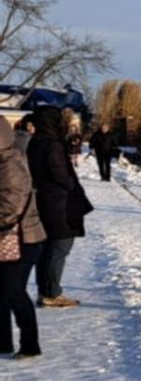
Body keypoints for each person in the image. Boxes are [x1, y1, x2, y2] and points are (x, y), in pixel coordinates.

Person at [26, 105, 89, 307]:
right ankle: (51, 293)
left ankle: (45, 290)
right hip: (59, 201)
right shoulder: (52, 144)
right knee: (60, 246)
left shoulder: (35, 142)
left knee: (46, 248)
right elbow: (60, 174)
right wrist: (73, 187)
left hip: (43, 198)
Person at [0, 124, 47, 357]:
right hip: (9, 238)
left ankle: (30, 345)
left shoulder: (11, 165)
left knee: (14, 290)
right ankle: (3, 342)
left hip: (24, 238)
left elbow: (11, 207)